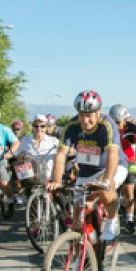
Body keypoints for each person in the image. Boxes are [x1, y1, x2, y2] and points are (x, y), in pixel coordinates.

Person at [48, 91, 128, 241]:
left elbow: (112, 154)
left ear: (98, 112)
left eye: (89, 115)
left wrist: (106, 180)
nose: (85, 120)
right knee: (77, 219)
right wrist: (56, 182)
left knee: (104, 189)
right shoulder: (71, 125)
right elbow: (60, 155)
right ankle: (80, 259)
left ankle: (112, 220)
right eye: (81, 114)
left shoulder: (107, 124)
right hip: (86, 171)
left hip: (112, 167)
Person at [110, 104, 136, 234]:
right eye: (114, 122)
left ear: (125, 120)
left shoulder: (132, 128)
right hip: (113, 161)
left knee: (129, 191)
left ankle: (129, 221)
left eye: (119, 122)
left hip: (129, 161)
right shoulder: (108, 128)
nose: (117, 126)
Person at [14, 114, 59, 182]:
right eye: (36, 126)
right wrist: (23, 158)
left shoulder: (54, 141)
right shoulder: (26, 140)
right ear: (32, 127)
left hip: (48, 179)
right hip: (30, 179)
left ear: (46, 127)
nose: (39, 129)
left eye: (42, 126)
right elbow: (18, 154)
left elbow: (65, 152)